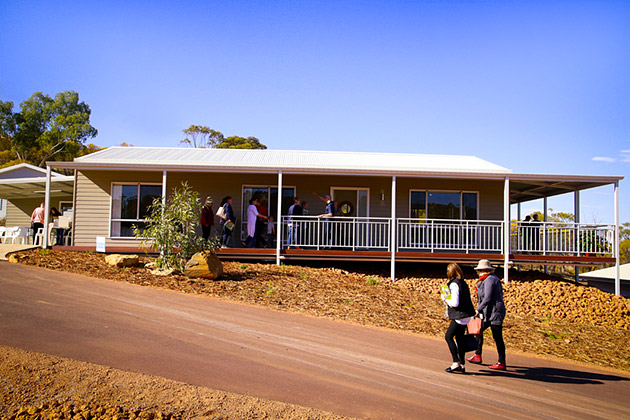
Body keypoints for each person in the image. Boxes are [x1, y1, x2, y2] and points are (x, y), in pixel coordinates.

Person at [466, 259, 507, 370]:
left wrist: (478, 309)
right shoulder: (484, 281)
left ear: (485, 270)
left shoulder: (490, 280)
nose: (479, 272)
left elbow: (487, 297)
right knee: (478, 331)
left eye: (480, 270)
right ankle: (478, 354)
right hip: (487, 312)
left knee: (497, 336)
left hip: (494, 312)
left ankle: (501, 362)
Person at [441, 263, 476, 374]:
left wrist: (445, 299)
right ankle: (462, 364)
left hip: (459, 316)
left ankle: (455, 362)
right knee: (460, 339)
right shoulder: (463, 283)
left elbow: (455, 303)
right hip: (466, 315)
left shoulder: (453, 284)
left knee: (449, 337)